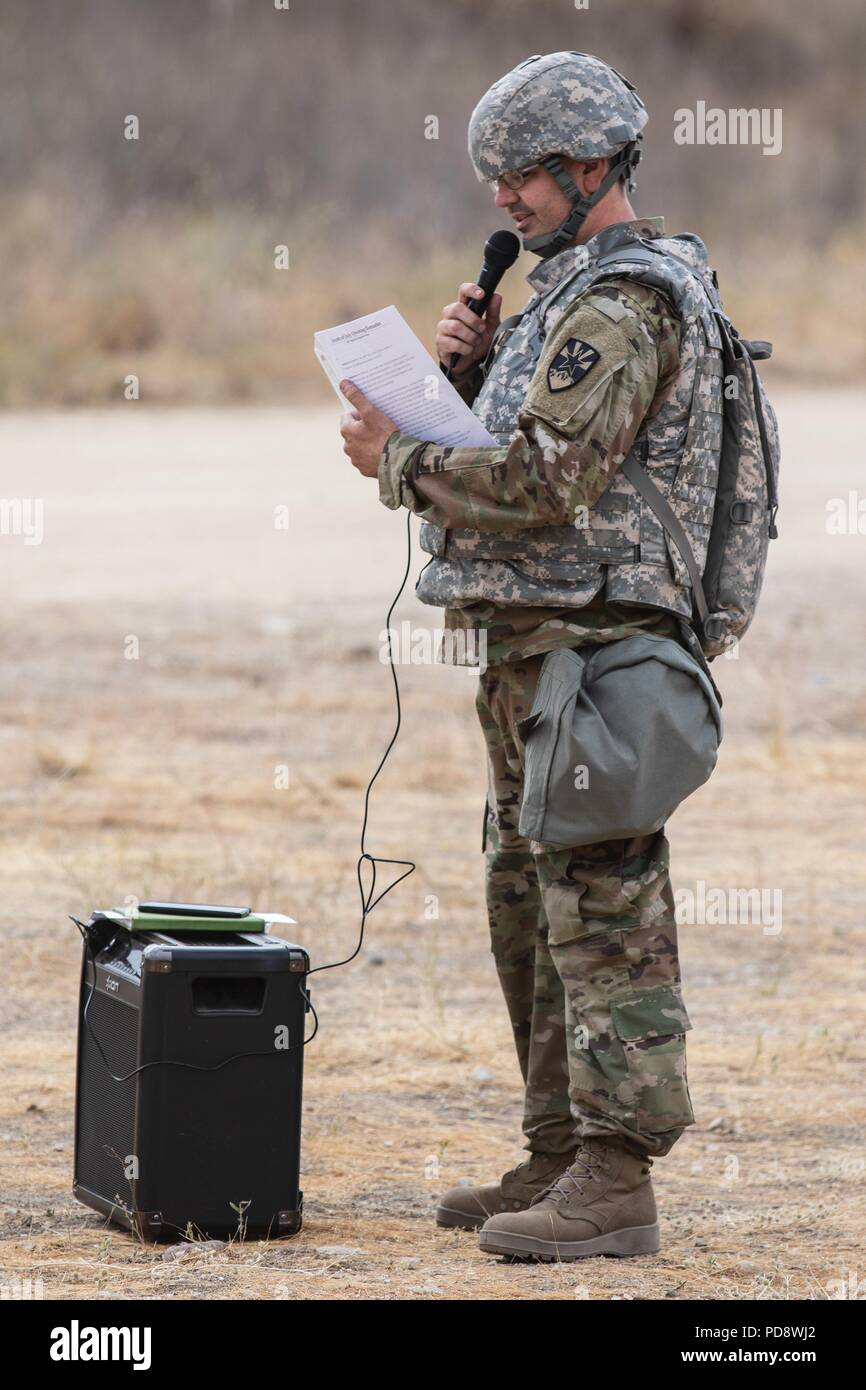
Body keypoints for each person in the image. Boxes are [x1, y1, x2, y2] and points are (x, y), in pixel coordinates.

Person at [339, 51, 723, 1262]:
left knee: (602, 907)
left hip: (596, 656)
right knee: (529, 899)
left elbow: (544, 482)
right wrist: (457, 378)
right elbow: (514, 454)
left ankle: (616, 1178)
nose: (503, 198)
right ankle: (559, 1148)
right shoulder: (565, 294)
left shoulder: (623, 303)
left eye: (522, 177)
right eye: (494, 178)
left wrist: (397, 455)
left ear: (589, 165)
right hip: (538, 652)